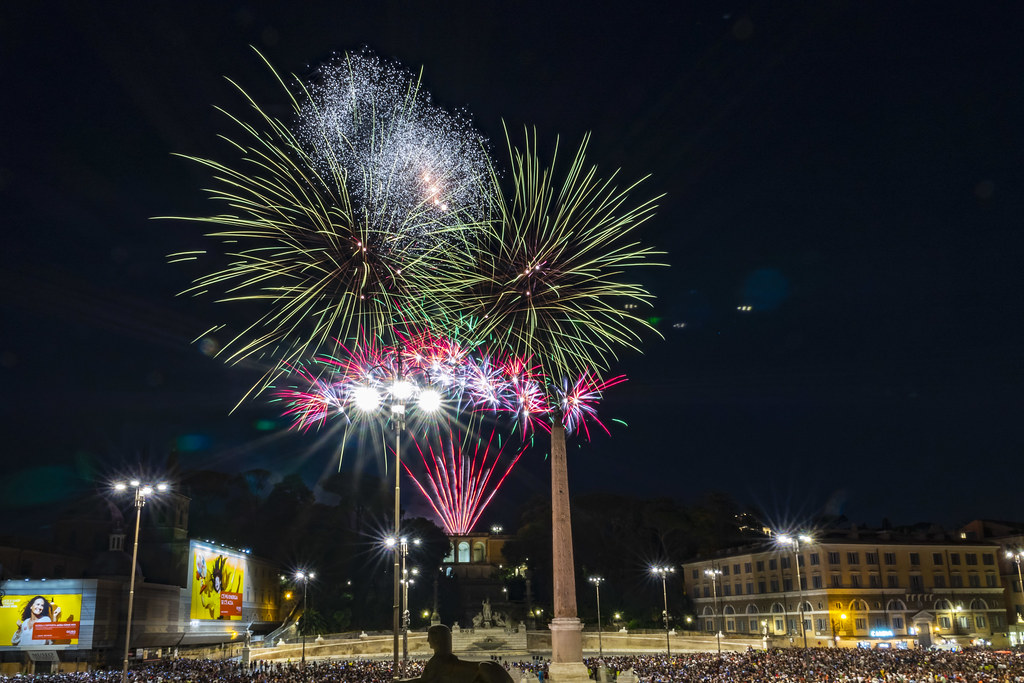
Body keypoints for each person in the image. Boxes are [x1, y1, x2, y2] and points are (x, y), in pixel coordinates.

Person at [401, 624, 513, 683]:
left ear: (436, 639)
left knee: (484, 667)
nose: (427, 640)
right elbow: (424, 680)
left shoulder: (439, 662)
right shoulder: (439, 661)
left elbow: (425, 682)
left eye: (429, 637)